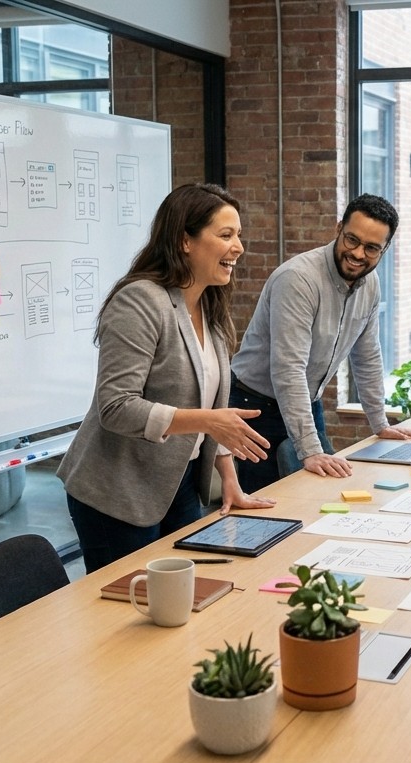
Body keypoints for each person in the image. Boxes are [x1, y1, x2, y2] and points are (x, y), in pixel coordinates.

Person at [58, 184, 275, 573]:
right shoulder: (140, 300)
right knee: (131, 603)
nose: (239, 247)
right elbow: (117, 407)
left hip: (178, 482)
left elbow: (210, 405)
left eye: (239, 235)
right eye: (226, 235)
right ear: (184, 241)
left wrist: (229, 477)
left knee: (189, 590)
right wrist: (208, 421)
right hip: (117, 491)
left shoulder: (209, 305)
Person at [229, 194, 411, 490]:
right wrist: (310, 450)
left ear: (385, 249)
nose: (358, 254)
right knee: (268, 505)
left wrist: (380, 424)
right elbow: (289, 368)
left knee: (321, 494)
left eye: (371, 248)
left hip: (307, 401)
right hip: (255, 406)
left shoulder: (370, 283)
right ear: (338, 228)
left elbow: (367, 356)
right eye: (352, 240)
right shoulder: (298, 279)